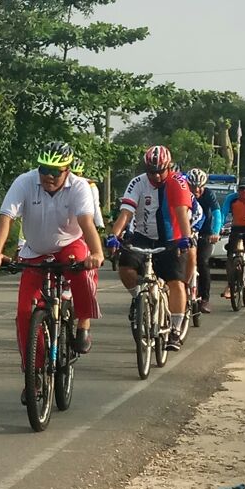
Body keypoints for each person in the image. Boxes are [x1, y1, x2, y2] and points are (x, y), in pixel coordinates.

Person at [0, 141, 104, 397]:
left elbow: (86, 222)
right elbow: (6, 218)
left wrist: (96, 253)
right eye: (44, 170)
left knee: (83, 274)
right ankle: (35, 373)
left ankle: (83, 323)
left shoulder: (79, 187)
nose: (48, 176)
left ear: (67, 170)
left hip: (69, 244)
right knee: (24, 312)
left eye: (55, 171)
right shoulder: (25, 182)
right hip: (35, 250)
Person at [106, 145, 193, 352]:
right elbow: (126, 213)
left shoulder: (178, 182)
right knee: (125, 267)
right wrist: (114, 236)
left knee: (176, 282)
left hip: (171, 239)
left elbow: (181, 212)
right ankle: (139, 298)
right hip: (143, 236)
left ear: (168, 167)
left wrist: (186, 238)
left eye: (160, 171)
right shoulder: (138, 182)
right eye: (151, 172)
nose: (156, 176)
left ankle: (175, 329)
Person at [185, 168, 221, 314]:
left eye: (200, 187)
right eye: (193, 187)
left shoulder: (209, 195)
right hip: (186, 232)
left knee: (202, 262)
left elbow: (217, 213)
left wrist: (215, 232)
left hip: (205, 234)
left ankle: (205, 299)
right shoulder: (183, 193)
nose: (196, 190)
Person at [72, 159, 104, 228]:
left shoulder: (90, 184)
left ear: (81, 173)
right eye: (73, 174)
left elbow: (95, 206)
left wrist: (100, 226)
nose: (75, 177)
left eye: (77, 174)